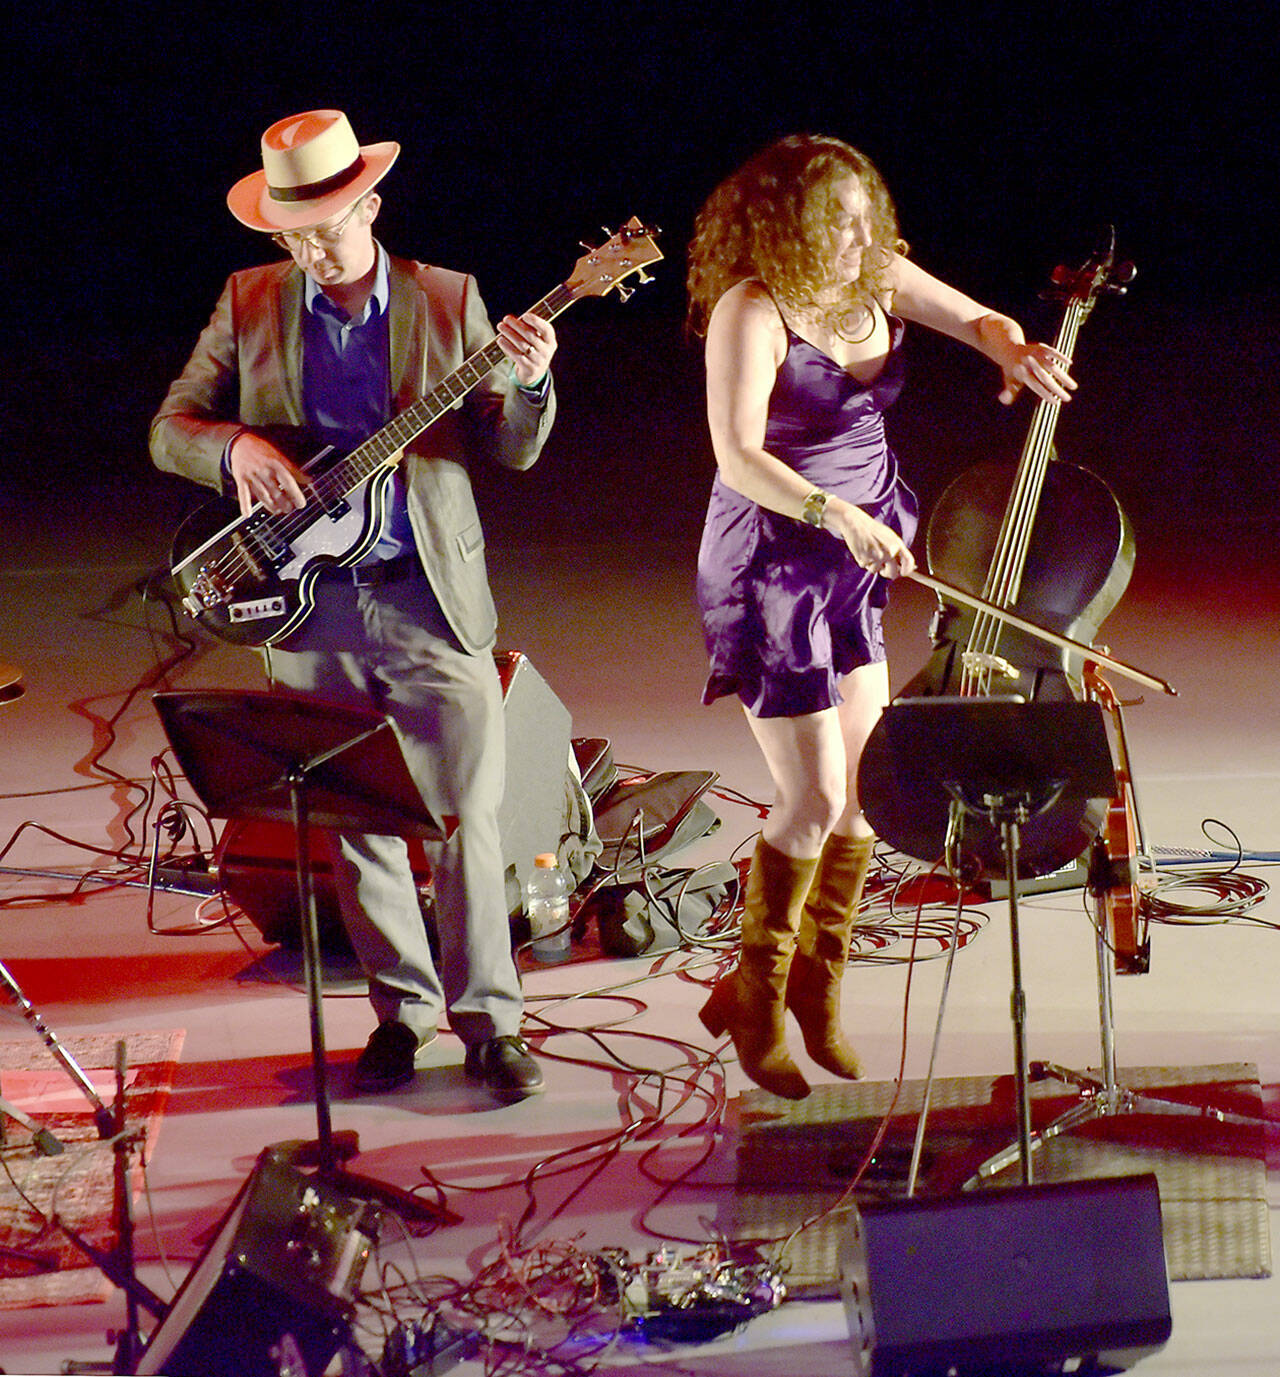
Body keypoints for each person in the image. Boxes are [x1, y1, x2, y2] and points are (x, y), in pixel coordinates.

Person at [150, 110, 557, 1101]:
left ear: (369, 203)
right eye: (290, 233)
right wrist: (236, 449)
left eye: (325, 225)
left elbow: (509, 447)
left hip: (427, 599)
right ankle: (402, 1015)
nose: (307, 247)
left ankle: (488, 1024)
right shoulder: (249, 301)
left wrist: (531, 385)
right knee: (354, 822)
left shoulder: (445, 299)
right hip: (306, 604)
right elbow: (172, 428)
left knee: (467, 818)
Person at [687, 134, 1076, 1099]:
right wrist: (835, 515)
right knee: (814, 799)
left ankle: (814, 997)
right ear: (786, 227)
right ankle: (758, 1002)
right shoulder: (754, 309)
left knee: (865, 793)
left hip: (858, 556)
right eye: (838, 221)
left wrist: (1013, 345)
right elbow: (737, 456)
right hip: (775, 560)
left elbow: (978, 318)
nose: (860, 236)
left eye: (868, 217)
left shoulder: (874, 273)